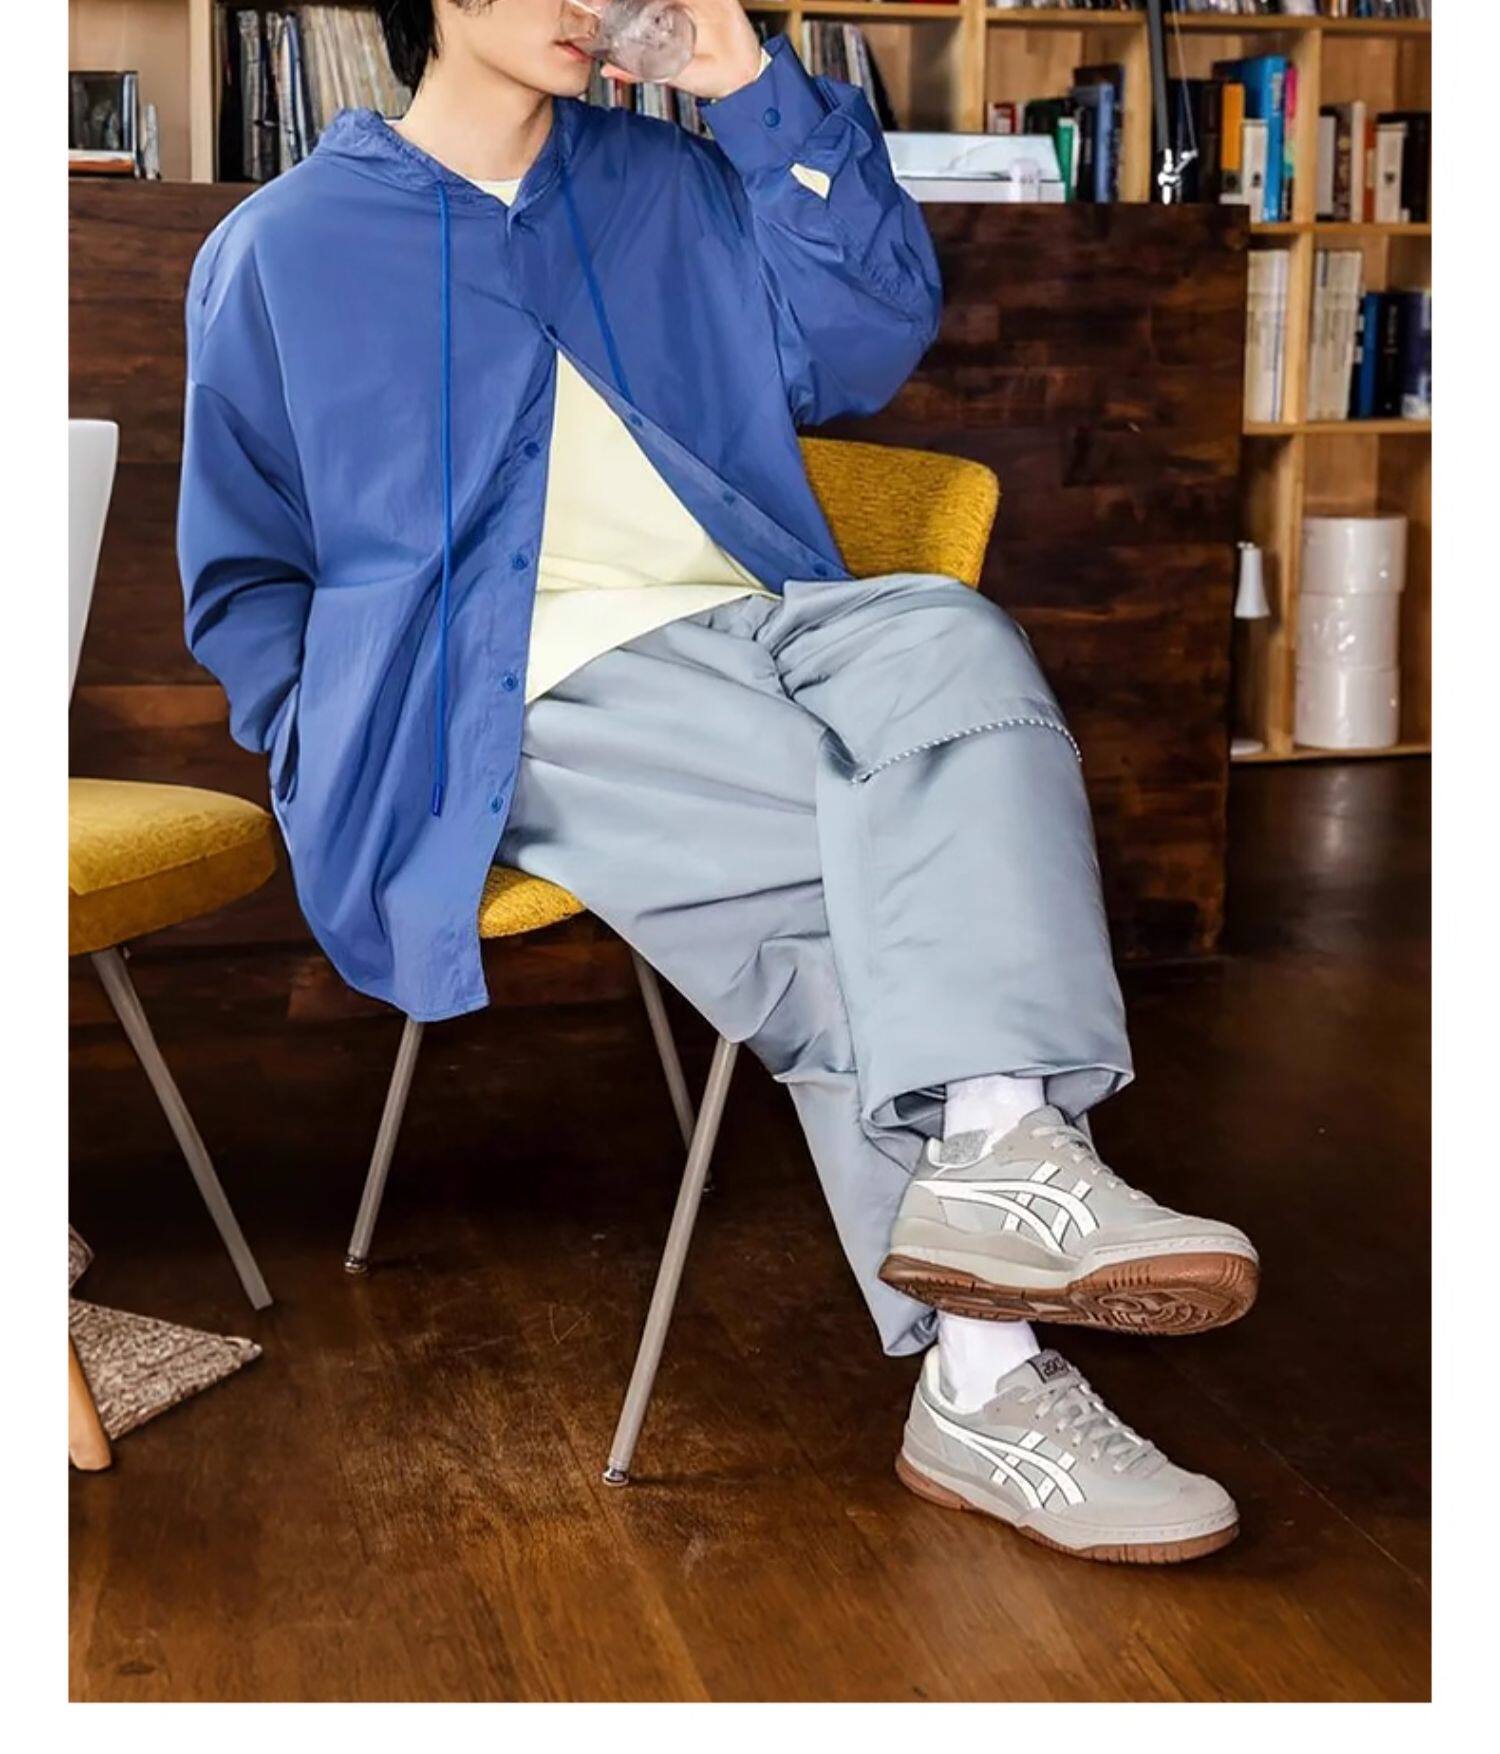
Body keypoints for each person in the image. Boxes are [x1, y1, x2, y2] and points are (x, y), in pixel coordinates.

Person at [177, 0, 1259, 1565]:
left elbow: (870, 337)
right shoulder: (281, 249)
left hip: (753, 632)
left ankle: (1000, 1172)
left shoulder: (666, 181)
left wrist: (743, 82)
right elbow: (243, 573)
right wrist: (337, 740)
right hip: (495, 702)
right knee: (876, 851)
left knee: (950, 639)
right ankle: (990, 1355)